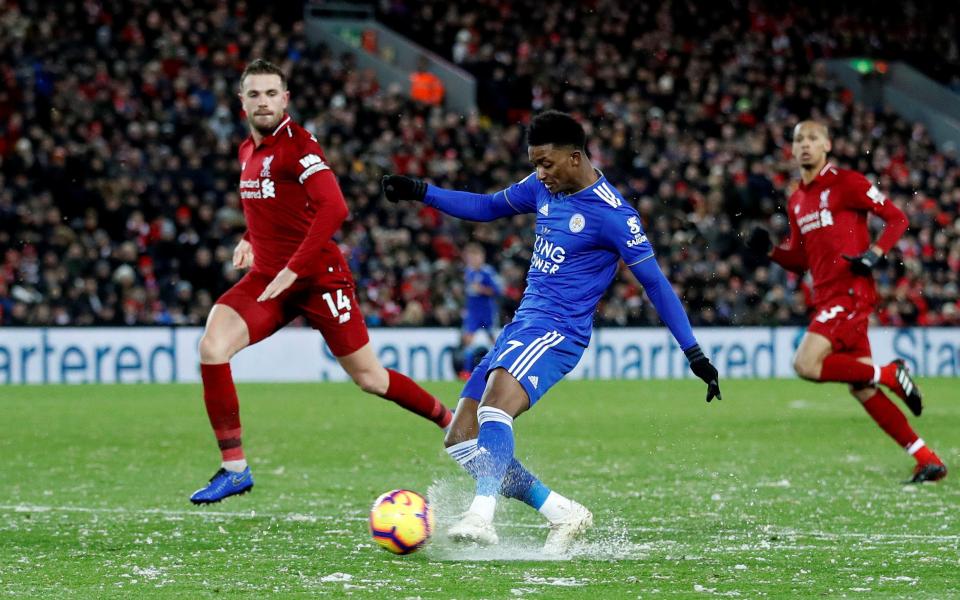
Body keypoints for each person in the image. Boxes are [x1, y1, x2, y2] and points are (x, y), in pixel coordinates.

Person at [382, 110, 721, 553]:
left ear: (576, 157)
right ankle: (560, 511)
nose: (540, 174)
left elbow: (655, 283)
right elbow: (486, 207)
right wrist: (421, 191)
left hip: (559, 332)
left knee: (494, 410)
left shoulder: (614, 215)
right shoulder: (542, 188)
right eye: (535, 164)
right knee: (461, 438)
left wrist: (694, 352)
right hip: (523, 325)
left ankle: (481, 516)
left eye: (546, 163)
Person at [189, 59, 452, 505]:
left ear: (285, 98)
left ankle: (451, 421)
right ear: (242, 101)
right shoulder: (246, 152)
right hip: (270, 278)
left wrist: (293, 268)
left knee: (370, 377)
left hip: (318, 279)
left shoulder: (299, 145)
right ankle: (235, 468)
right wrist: (250, 237)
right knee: (212, 347)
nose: (264, 102)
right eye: (254, 94)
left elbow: (334, 208)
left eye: (272, 93)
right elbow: (276, 207)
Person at [745, 120, 946, 484]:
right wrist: (771, 252)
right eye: (798, 140)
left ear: (827, 145)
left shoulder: (846, 183)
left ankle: (890, 373)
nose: (805, 145)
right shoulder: (797, 200)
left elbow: (896, 219)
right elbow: (802, 260)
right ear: (792, 150)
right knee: (862, 388)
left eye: (812, 138)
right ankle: (927, 459)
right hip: (827, 297)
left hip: (850, 293)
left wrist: (875, 253)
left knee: (805, 363)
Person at [459, 243, 501, 379]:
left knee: (493, 341)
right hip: (473, 313)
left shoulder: (488, 272)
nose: (472, 260)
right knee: (468, 340)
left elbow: (498, 291)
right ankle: (466, 371)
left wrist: (482, 289)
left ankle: (500, 367)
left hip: (487, 312)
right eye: (470, 258)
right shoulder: (468, 272)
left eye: (475, 257)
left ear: (481, 257)